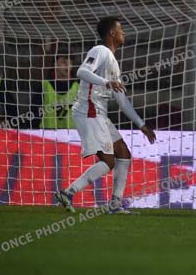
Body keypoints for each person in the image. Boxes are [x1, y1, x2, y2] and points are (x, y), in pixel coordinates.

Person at [54, 17, 156, 214]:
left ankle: (115, 204)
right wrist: (106, 82)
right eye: (121, 29)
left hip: (99, 113)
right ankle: (68, 193)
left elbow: (122, 101)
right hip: (89, 111)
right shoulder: (100, 51)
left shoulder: (113, 63)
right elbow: (81, 71)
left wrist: (141, 125)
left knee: (123, 153)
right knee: (108, 162)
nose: (124, 32)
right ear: (112, 33)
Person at [29, 45, 79, 129]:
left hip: (72, 134)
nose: (67, 66)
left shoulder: (78, 87)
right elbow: (34, 114)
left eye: (70, 63)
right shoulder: (43, 86)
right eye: (64, 62)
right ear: (55, 64)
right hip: (47, 134)